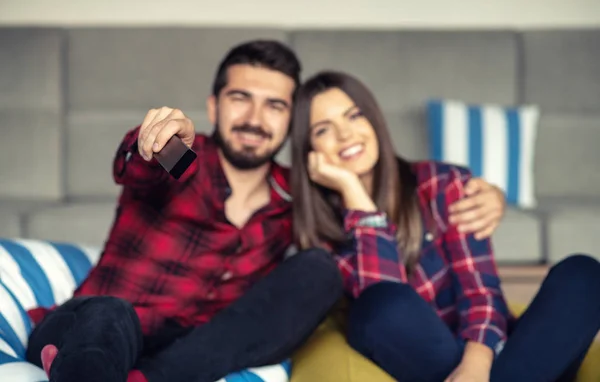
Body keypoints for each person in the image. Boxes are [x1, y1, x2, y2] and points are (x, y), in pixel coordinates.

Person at [24, 41, 506, 382]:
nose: (256, 119)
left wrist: (489, 195)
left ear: (290, 122)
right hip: (98, 326)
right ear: (214, 107)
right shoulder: (186, 161)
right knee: (110, 316)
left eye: (275, 105)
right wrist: (155, 140)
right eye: (241, 99)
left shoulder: (296, 197)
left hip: (190, 350)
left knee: (318, 271)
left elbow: (376, 239)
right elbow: (142, 163)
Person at [289, 70, 600, 382]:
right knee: (382, 304)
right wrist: (354, 194)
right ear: (309, 151)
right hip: (425, 359)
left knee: (584, 273)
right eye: (323, 130)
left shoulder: (441, 183)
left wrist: (476, 366)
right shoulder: (322, 236)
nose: (345, 135)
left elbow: (480, 290)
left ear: (373, 119)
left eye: (354, 116)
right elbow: (385, 305)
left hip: (496, 354)